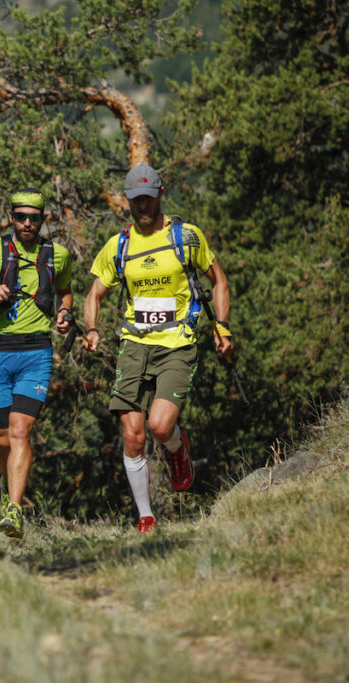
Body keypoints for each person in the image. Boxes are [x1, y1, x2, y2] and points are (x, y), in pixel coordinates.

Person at [82, 164, 232, 533]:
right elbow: (95, 293)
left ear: (161, 194)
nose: (143, 205)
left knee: (160, 426)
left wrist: (222, 328)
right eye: (136, 200)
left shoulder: (186, 236)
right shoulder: (119, 245)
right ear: (128, 202)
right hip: (134, 344)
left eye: (148, 198)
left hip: (177, 343)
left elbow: (219, 281)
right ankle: (146, 516)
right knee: (132, 436)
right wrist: (91, 328)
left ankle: (178, 448)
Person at [0, 188, 73, 539]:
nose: (27, 223)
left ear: (43, 220)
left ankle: (14, 509)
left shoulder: (58, 255)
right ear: (11, 217)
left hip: (36, 353)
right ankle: (10, 492)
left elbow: (65, 290)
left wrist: (65, 312)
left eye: (33, 218)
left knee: (22, 431)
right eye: (20, 217)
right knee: (3, 438)